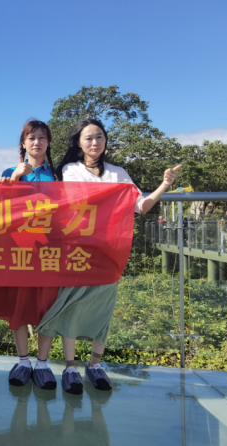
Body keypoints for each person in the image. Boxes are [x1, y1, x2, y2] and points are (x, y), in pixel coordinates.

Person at [35, 118, 181, 394]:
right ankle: (70, 367)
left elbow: (141, 206)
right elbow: (81, 202)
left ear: (105, 140)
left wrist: (164, 184)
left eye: (99, 136)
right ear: (79, 143)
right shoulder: (71, 169)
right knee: (72, 305)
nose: (95, 142)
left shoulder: (118, 173)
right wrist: (113, 199)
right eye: (88, 138)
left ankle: (95, 364)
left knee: (103, 307)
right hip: (79, 250)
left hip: (111, 251)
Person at [0, 119, 59, 390]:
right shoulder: (9, 172)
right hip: (19, 249)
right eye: (31, 138)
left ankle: (42, 363)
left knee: (47, 306)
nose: (37, 142)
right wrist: (15, 178)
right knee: (18, 305)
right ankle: (22, 361)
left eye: (42, 137)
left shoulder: (58, 174)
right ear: (23, 143)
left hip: (50, 249)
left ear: (48, 142)